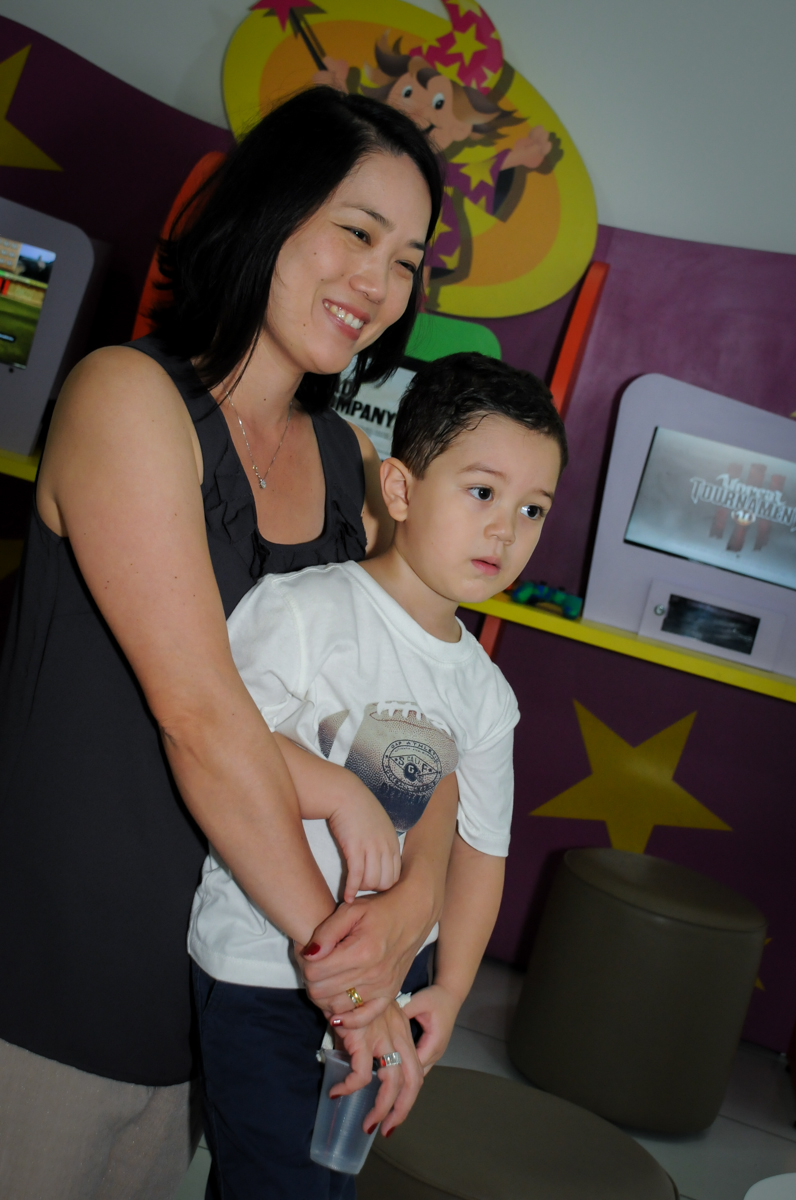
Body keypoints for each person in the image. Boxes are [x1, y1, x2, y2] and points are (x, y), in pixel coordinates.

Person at [0, 86, 448, 1200]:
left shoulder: (351, 465)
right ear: (267, 211)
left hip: (229, 981)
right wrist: (349, 976)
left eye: (405, 261)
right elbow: (201, 717)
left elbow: (422, 712)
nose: (377, 283)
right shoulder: (127, 396)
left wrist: (409, 910)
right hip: (55, 966)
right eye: (356, 231)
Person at [188, 352, 567, 1197]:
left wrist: (451, 990)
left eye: (531, 509)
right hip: (264, 968)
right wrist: (341, 793)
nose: (505, 531)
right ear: (399, 490)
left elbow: (480, 854)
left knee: (320, 1179)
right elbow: (225, 745)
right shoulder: (304, 610)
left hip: (392, 979)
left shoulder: (485, 695)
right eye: (481, 492)